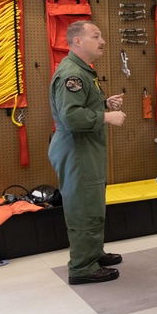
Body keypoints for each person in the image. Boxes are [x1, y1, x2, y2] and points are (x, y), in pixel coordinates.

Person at [48, 20, 126, 285]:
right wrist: (106, 116)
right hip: (77, 150)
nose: (102, 41)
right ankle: (82, 267)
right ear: (77, 41)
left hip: (85, 149)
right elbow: (70, 117)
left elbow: (79, 106)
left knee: (91, 203)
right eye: (96, 36)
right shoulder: (72, 74)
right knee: (83, 207)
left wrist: (103, 104)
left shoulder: (83, 71)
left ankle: (92, 254)